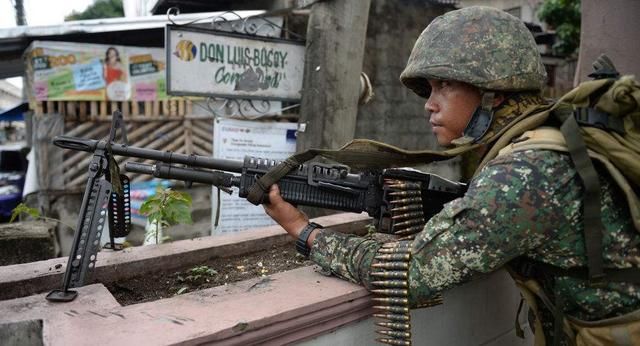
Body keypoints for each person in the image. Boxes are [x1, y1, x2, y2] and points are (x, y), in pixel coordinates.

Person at [263, 6, 640, 345]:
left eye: (444, 85)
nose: (429, 103)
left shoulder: (525, 172)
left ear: (493, 90)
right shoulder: (547, 141)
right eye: (429, 88)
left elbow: (411, 275)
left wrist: (305, 232)